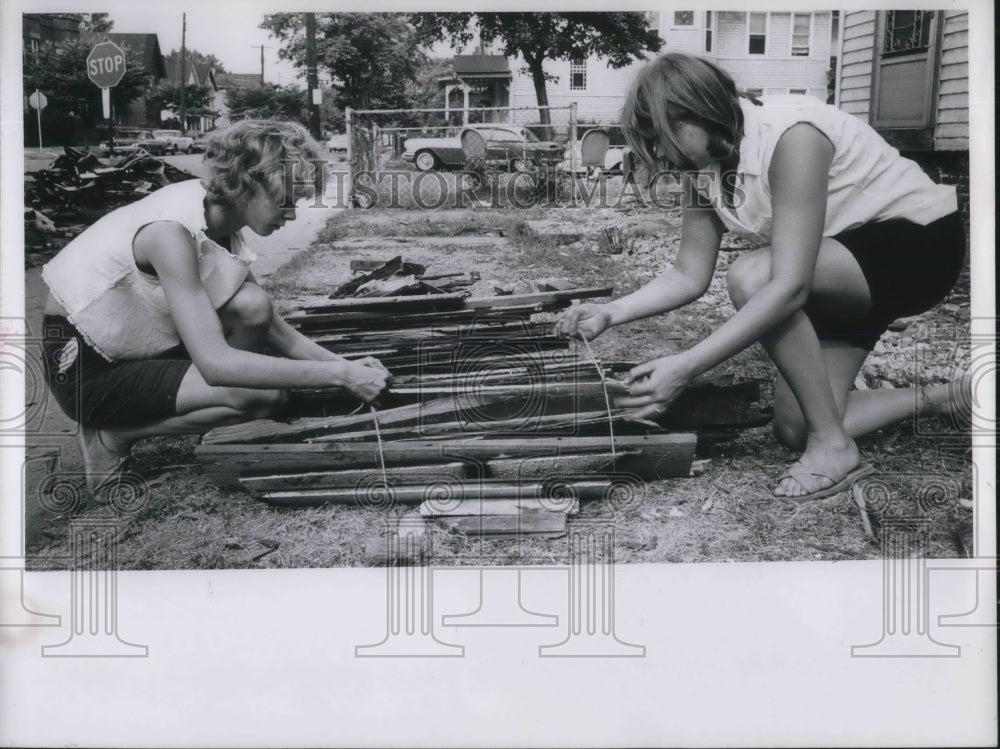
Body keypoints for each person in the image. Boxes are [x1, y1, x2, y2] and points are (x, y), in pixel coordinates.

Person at [555, 54, 969, 500]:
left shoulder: (794, 137)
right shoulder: (702, 162)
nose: (659, 155)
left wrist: (688, 366)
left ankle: (834, 448)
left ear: (701, 109)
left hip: (917, 248)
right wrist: (609, 313)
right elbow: (688, 273)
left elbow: (789, 285)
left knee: (754, 275)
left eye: (661, 137)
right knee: (796, 424)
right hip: (840, 263)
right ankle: (945, 397)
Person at [41, 119, 391, 496]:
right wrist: (339, 378)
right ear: (248, 182)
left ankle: (216, 405)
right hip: (86, 369)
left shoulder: (219, 216)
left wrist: (344, 365)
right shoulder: (170, 232)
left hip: (129, 344)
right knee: (264, 397)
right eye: (285, 199)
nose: (292, 214)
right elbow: (216, 364)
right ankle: (111, 435)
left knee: (253, 304)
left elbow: (271, 326)